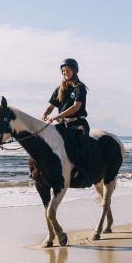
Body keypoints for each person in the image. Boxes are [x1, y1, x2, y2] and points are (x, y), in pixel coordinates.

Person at [42, 58, 92, 186]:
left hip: (78, 123)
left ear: (74, 71)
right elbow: (51, 106)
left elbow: (76, 107)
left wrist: (57, 116)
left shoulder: (80, 88)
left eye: (67, 70)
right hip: (63, 124)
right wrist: (45, 114)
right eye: (63, 71)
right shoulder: (59, 89)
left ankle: (84, 173)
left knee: (82, 145)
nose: (65, 72)